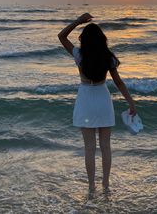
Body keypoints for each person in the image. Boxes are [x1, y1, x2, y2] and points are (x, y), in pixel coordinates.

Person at [58, 13, 136, 193]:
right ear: (102, 40)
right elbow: (119, 82)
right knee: (106, 146)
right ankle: (106, 184)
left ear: (84, 40)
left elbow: (61, 36)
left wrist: (77, 21)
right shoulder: (108, 57)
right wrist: (131, 102)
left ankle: (91, 185)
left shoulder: (79, 55)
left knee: (89, 148)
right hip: (103, 100)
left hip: (85, 100)